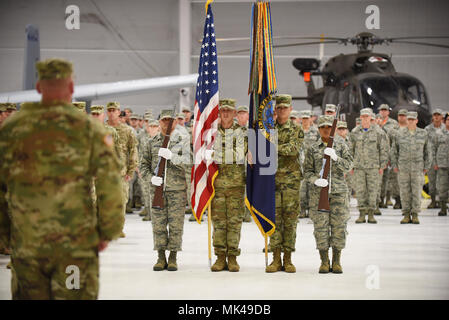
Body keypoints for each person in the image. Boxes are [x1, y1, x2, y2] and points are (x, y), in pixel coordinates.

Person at [0, 58, 124, 299]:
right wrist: (106, 232)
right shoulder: (89, 129)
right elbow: (110, 183)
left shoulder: (12, 130)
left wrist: (6, 236)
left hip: (28, 245)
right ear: (70, 87)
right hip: (75, 246)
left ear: (38, 88)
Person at [140, 109, 191, 271]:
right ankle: (161, 256)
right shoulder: (151, 142)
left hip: (177, 190)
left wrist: (173, 157)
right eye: (164, 120)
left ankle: (173, 256)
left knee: (176, 225)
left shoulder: (182, 141)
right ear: (159, 122)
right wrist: (151, 179)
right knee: (159, 225)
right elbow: (143, 166)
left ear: (175, 122)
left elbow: (189, 162)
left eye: (170, 120)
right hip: (157, 190)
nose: (167, 123)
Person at [304, 115, 353, 273]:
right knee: (321, 228)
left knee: (339, 227)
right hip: (319, 195)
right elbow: (307, 172)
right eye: (323, 127)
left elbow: (349, 166)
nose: (326, 129)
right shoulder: (312, 148)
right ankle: (324, 261)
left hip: (339, 193)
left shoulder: (341, 145)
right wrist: (315, 180)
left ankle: (337, 260)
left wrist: (336, 158)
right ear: (318, 129)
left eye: (329, 127)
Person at [266, 94, 304, 273]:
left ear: (290, 110)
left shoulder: (296, 129)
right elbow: (261, 150)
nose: (282, 110)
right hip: (271, 181)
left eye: (285, 108)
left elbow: (293, 149)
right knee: (274, 220)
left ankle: (288, 258)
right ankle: (275, 258)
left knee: (289, 221)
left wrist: (273, 148)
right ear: (275, 110)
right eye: (279, 108)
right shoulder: (268, 129)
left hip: (290, 183)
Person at [209, 99, 247, 272]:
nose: (225, 113)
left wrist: (216, 154)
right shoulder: (210, 134)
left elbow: (238, 154)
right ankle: (220, 256)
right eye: (223, 110)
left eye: (229, 111)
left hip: (236, 186)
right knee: (219, 223)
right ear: (219, 113)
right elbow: (205, 154)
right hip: (216, 186)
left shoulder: (242, 133)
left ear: (234, 113)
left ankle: (232, 257)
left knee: (234, 222)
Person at [391, 111, 431, 224]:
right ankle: (406, 214)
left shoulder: (423, 134)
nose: (411, 121)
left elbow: (428, 151)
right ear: (407, 120)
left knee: (416, 192)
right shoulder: (399, 134)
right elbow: (394, 151)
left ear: (416, 121)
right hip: (403, 168)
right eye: (409, 119)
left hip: (418, 168)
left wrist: (426, 166)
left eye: (413, 119)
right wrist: (394, 165)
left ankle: (415, 214)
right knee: (404, 193)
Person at [350, 108, 388, 224]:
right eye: (363, 117)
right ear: (360, 118)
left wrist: (382, 166)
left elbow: (384, 149)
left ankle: (371, 213)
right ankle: (362, 213)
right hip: (359, 167)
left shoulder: (378, 132)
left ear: (371, 118)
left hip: (373, 167)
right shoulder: (355, 132)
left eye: (367, 117)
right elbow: (350, 150)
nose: (365, 119)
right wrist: (351, 165)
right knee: (360, 191)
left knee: (373, 191)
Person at [106, 101, 138, 236]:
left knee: (121, 200)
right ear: (107, 112)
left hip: (121, 172)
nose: (112, 112)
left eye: (115, 110)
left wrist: (131, 171)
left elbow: (133, 150)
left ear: (119, 112)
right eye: (110, 110)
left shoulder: (127, 130)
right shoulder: (102, 128)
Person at [299, 110, 320, 218]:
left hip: (312, 164)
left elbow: (319, 146)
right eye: (303, 118)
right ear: (301, 119)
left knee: (312, 187)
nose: (305, 120)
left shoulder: (316, 131)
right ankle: (302, 209)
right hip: (300, 163)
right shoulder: (297, 131)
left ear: (310, 119)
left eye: (307, 118)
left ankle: (312, 210)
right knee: (302, 189)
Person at [377, 104, 399, 208]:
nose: (383, 112)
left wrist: (383, 128)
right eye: (382, 110)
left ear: (388, 112)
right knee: (379, 179)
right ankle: (379, 199)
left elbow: (394, 136)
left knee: (388, 178)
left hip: (389, 153)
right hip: (376, 155)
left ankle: (388, 199)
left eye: (385, 110)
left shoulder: (393, 123)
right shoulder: (374, 120)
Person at [425, 108, 445, 209]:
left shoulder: (446, 129)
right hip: (431, 160)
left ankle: (442, 202)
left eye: (438, 115)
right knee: (432, 182)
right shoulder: (427, 129)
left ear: (442, 117)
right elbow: (425, 145)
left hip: (444, 160)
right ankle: (433, 201)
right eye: (435, 115)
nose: (436, 117)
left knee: (443, 183)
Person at [432, 112, 449, 216]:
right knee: (442, 187)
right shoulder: (439, 133)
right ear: (445, 121)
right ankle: (443, 208)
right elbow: (433, 149)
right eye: (448, 120)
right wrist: (434, 162)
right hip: (442, 165)